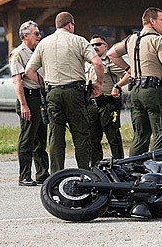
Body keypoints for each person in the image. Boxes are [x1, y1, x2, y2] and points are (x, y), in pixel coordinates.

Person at [107, 7, 162, 156]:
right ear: (152, 21)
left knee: (140, 134)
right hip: (154, 91)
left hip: (136, 90)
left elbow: (111, 53)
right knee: (161, 130)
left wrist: (129, 68)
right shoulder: (158, 40)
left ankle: (134, 170)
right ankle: (157, 171)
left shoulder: (131, 39)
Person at [25, 12, 104, 174]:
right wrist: (98, 84)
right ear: (70, 25)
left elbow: (29, 70)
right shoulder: (79, 40)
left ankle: (56, 175)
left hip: (53, 92)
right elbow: (97, 63)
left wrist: (44, 83)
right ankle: (85, 173)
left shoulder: (44, 43)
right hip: (75, 92)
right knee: (81, 135)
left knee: (56, 136)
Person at [10, 20, 50, 186]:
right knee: (27, 138)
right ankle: (24, 176)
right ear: (25, 36)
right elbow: (17, 82)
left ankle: (42, 174)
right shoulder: (18, 53)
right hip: (28, 97)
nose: (39, 36)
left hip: (40, 96)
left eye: (39, 33)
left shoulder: (39, 51)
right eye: (36, 34)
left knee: (41, 138)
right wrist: (24, 105)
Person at [86, 34, 130, 166]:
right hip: (92, 105)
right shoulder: (88, 61)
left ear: (105, 46)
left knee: (113, 138)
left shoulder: (111, 62)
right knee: (93, 139)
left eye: (98, 44)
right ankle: (95, 168)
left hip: (108, 104)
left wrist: (118, 86)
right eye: (92, 45)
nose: (95, 47)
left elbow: (129, 72)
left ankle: (119, 165)